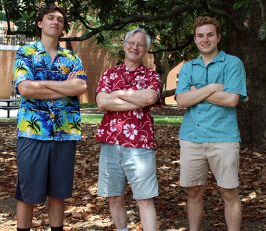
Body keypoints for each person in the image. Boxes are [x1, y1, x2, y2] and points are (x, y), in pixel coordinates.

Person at [13, 5, 87, 231]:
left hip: (65, 133)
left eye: (60, 20)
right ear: (39, 23)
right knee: (27, 192)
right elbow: (25, 88)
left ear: (64, 27)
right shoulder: (25, 53)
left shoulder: (72, 58)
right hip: (33, 131)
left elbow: (81, 86)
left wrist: (43, 85)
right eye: (50, 18)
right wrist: (65, 87)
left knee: (58, 191)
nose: (56, 22)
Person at [175, 16, 247, 231]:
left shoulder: (233, 63)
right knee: (194, 191)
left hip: (223, 137)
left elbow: (231, 99)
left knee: (229, 192)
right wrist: (213, 88)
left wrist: (195, 92)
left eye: (209, 35)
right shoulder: (188, 67)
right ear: (195, 39)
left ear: (218, 37)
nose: (205, 39)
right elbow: (181, 101)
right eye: (200, 36)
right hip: (191, 138)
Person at [95, 28, 161, 231]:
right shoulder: (109, 73)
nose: (135, 47)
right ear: (124, 45)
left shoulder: (152, 76)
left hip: (140, 145)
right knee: (114, 197)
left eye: (140, 45)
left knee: (144, 198)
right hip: (110, 143)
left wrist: (119, 93)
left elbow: (150, 98)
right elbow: (101, 102)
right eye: (132, 43)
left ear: (146, 49)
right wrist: (136, 100)